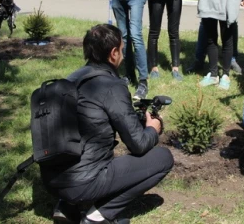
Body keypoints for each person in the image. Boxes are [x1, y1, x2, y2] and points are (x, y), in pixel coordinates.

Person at [43, 24, 174, 224]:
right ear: (113, 53)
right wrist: (152, 129)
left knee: (93, 152)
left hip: (51, 179)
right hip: (82, 182)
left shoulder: (71, 79)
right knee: (163, 158)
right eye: (121, 50)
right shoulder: (112, 87)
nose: (122, 54)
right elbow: (138, 145)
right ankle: (98, 216)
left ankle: (66, 206)